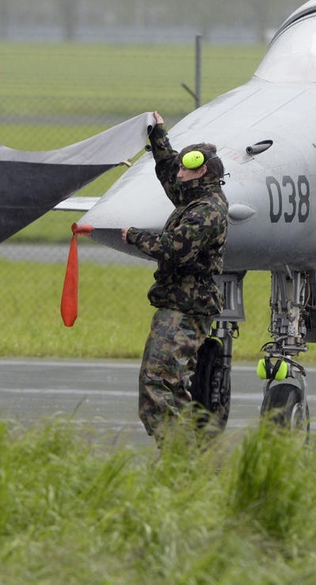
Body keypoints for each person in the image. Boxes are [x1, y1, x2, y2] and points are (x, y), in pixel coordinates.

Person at [121, 112, 228, 443]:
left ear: (204, 173)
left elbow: (173, 249)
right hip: (175, 308)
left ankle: (182, 462)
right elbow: (168, 170)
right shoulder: (193, 197)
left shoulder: (207, 210)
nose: (179, 174)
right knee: (158, 386)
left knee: (160, 388)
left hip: (185, 311)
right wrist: (159, 136)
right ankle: (182, 460)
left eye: (187, 169)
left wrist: (133, 236)